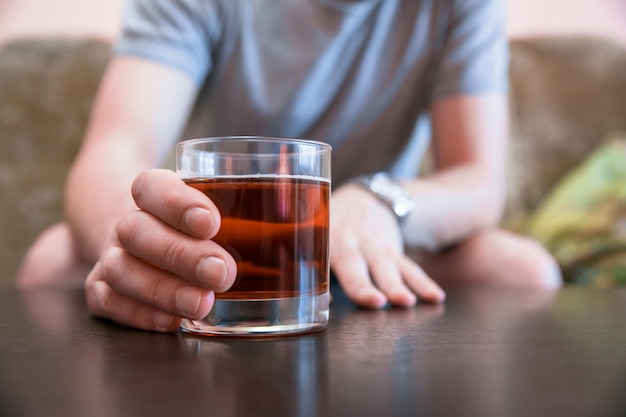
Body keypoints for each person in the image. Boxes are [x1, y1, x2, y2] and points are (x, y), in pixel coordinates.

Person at [16, 0, 562, 332]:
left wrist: (378, 201)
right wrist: (134, 247)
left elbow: (478, 182)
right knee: (52, 261)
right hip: (232, 252)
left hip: (375, 249)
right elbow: (113, 149)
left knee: (523, 270)